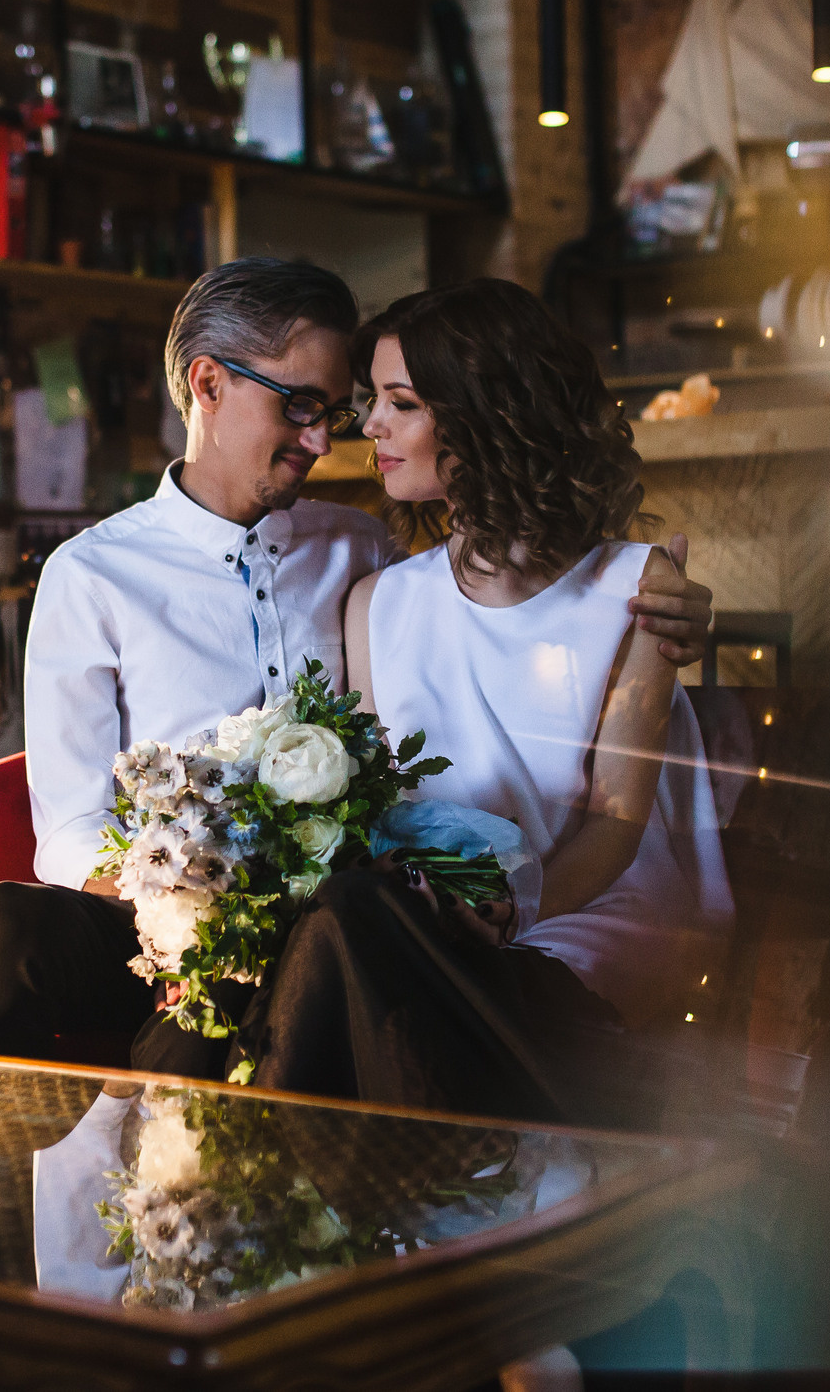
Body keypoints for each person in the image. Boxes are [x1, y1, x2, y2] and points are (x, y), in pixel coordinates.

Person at [0, 259, 719, 1076]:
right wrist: (187, 908)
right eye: (300, 406)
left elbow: (494, 616)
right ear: (207, 384)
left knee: (315, 948)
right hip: (156, 914)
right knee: (6, 933)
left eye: (338, 412)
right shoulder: (92, 572)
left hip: (334, 916)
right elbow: (68, 830)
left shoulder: (361, 550)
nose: (324, 439)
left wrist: (669, 615)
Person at [227, 278, 735, 1130]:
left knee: (374, 964)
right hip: (436, 926)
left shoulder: (634, 586)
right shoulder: (376, 603)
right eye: (372, 402)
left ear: (482, 415)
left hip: (583, 917)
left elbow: (615, 823)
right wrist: (437, 910)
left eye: (399, 402)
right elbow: (382, 810)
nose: (369, 426)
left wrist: (508, 911)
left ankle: (279, 1178)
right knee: (352, 932)